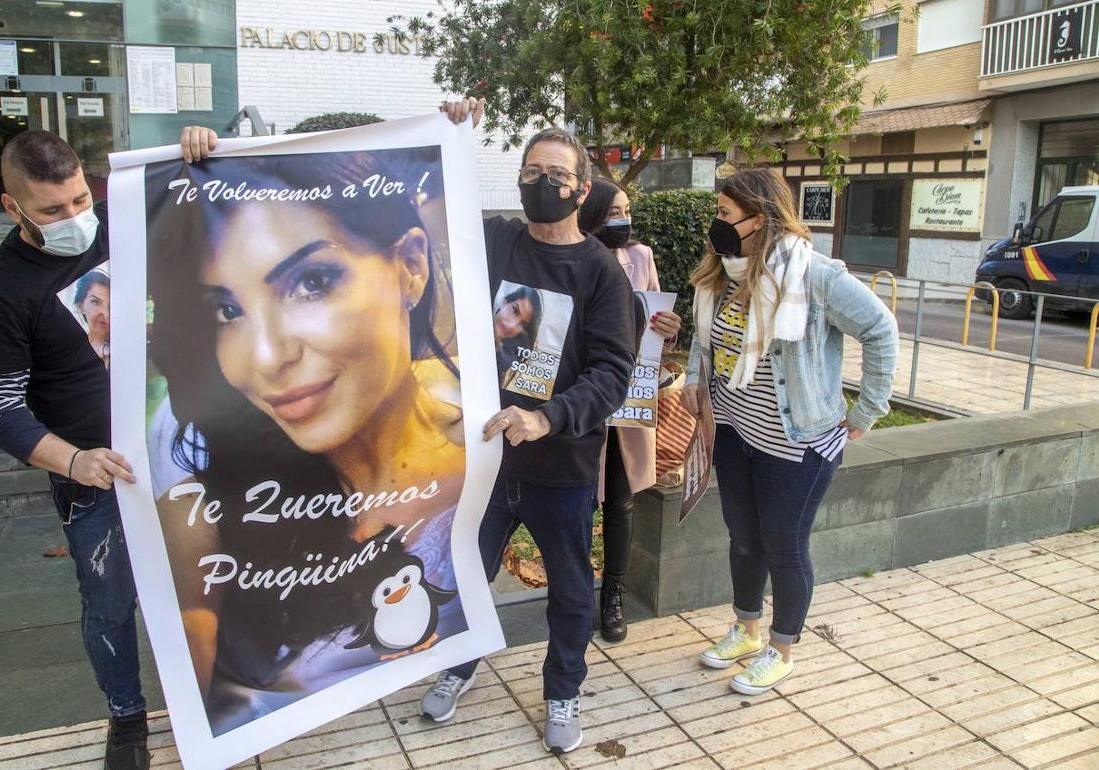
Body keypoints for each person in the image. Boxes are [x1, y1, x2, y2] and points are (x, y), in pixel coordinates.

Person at [183, 104, 636, 754]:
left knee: (569, 589)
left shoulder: (600, 274)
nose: (543, 182)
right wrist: (218, 157)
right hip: (480, 463)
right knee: (459, 580)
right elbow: (398, 195)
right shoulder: (499, 239)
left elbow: (612, 372)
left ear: (581, 189)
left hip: (557, 468)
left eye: (557, 174)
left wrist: (547, 417)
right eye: (531, 170)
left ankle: (563, 689)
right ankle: (455, 668)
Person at [145, 148, 466, 735]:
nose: (267, 358)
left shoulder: (475, 442)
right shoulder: (208, 492)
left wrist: (456, 125)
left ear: (411, 266)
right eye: (227, 309)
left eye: (312, 282)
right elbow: (199, 658)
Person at [0, 126, 218, 769]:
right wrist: (74, 461)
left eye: (80, 199)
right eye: (52, 209)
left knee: (213, 579)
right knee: (108, 603)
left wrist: (204, 150)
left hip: (186, 446)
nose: (75, 217)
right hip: (97, 479)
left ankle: (217, 700)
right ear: (11, 206)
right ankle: (127, 719)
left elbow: (213, 215)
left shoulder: (119, 227)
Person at [681, 169, 897, 696]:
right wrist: (693, 378)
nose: (718, 223)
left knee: (785, 546)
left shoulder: (814, 276)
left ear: (762, 219)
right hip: (734, 430)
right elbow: (705, 339)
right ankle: (747, 630)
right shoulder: (722, 272)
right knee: (744, 539)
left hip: (796, 440)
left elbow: (881, 329)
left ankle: (781, 649)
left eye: (726, 214)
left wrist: (866, 412)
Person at [577, 179, 682, 643]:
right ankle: (576, 593)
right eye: (613, 210)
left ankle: (612, 594)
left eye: (627, 209)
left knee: (620, 501)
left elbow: (656, 321)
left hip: (628, 397)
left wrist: (670, 329)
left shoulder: (640, 257)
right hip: (579, 400)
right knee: (577, 504)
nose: (622, 218)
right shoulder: (572, 255)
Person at [492, 283, 542, 385]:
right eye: (515, 310)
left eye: (522, 325)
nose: (512, 325)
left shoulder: (502, 363)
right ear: (504, 302)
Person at [73, 269, 110, 367]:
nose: (105, 313)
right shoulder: (69, 350)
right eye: (95, 302)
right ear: (81, 305)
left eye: (110, 306)